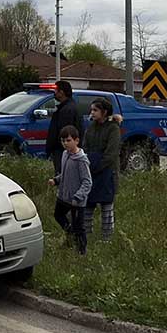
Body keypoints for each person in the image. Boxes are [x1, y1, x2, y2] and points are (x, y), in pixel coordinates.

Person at [49, 125, 93, 255]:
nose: (65, 143)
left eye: (68, 140)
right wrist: (56, 180)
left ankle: (82, 251)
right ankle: (69, 234)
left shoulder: (81, 160)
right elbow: (66, 174)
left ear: (76, 141)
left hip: (76, 201)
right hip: (63, 196)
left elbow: (87, 181)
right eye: (63, 141)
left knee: (79, 227)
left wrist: (78, 196)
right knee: (58, 215)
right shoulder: (64, 155)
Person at [82, 98, 122, 242]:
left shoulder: (113, 128)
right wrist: (87, 165)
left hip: (107, 172)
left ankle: (107, 238)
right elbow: (85, 147)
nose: (92, 113)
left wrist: (98, 166)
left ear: (104, 112)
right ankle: (86, 235)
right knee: (88, 205)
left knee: (106, 206)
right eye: (91, 110)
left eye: (95, 110)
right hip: (90, 171)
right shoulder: (91, 128)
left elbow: (111, 153)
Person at [46, 80, 83, 174]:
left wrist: (60, 146)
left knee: (63, 176)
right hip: (63, 151)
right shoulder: (66, 107)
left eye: (56, 90)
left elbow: (65, 132)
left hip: (62, 151)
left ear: (61, 92)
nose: (54, 93)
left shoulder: (67, 110)